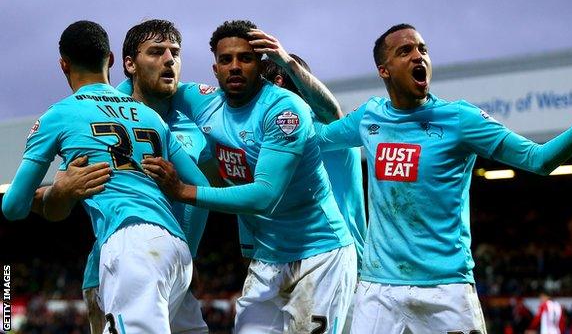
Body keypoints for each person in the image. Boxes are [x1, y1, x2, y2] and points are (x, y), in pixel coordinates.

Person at [312, 23, 572, 333]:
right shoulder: (369, 117)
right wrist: (289, 77)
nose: (419, 56)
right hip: (378, 289)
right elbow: (317, 136)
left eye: (423, 50)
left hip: (446, 289)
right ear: (384, 70)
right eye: (405, 51)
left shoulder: (460, 119)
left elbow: (538, 160)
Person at [142, 20, 357, 333]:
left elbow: (265, 196)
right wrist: (106, 102)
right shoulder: (204, 102)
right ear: (215, 69)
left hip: (320, 255)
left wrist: (183, 190)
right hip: (267, 259)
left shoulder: (284, 110)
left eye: (245, 58)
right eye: (226, 60)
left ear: (261, 64)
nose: (235, 67)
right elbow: (150, 88)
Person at [2, 20, 210, 334]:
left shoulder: (60, 114)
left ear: (63, 64)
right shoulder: (150, 115)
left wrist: (59, 191)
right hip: (176, 249)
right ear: (111, 60)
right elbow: (201, 187)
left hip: (130, 246)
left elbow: (13, 207)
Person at [258, 46, 366, 333]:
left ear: (276, 85)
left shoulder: (324, 131)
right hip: (290, 261)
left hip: (339, 267)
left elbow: (333, 114)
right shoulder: (272, 136)